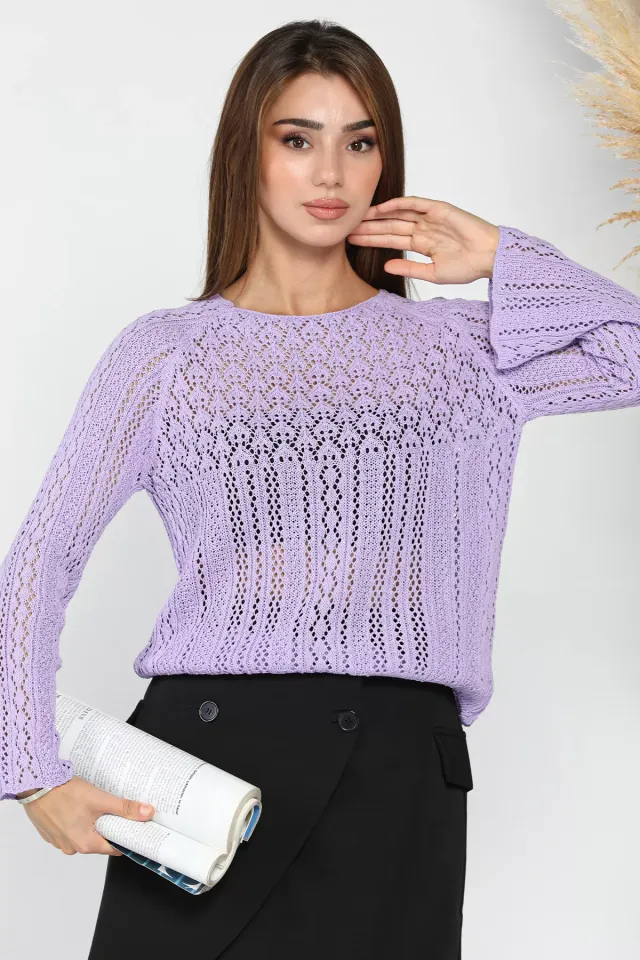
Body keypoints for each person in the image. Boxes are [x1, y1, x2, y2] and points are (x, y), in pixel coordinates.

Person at [2, 17, 640, 960]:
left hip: (399, 774)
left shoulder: (459, 350)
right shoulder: (167, 355)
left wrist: (505, 255)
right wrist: (27, 769)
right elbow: (41, 557)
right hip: (208, 776)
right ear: (246, 154)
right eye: (298, 140)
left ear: (386, 161)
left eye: (360, 142)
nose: (331, 173)